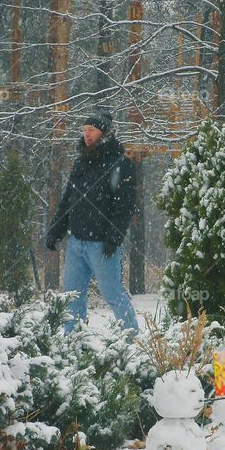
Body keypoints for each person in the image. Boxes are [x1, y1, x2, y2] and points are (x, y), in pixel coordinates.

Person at [45, 110, 139, 334]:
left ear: (104, 133)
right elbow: (68, 199)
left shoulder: (120, 164)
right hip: (76, 244)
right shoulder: (80, 163)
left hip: (102, 245)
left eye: (92, 130)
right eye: (84, 130)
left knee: (113, 294)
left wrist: (113, 238)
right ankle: (72, 342)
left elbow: (124, 206)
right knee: (71, 297)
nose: (86, 134)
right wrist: (55, 231)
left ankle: (132, 340)